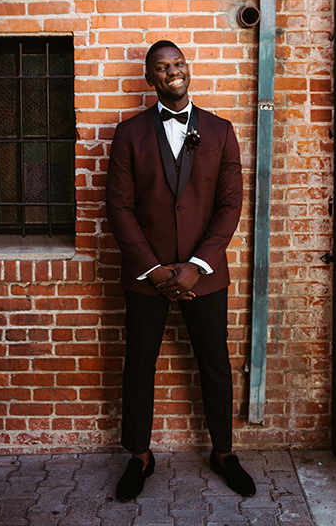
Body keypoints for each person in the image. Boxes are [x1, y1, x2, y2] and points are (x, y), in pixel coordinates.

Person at [105, 40, 256, 501]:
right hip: (146, 276)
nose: (173, 71)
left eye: (178, 63)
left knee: (214, 364)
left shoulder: (220, 131)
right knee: (139, 366)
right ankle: (139, 456)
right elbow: (119, 206)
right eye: (161, 67)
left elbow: (230, 204)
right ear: (150, 79)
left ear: (187, 70)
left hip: (203, 275)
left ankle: (224, 453)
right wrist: (153, 270)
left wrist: (195, 266)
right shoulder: (129, 134)